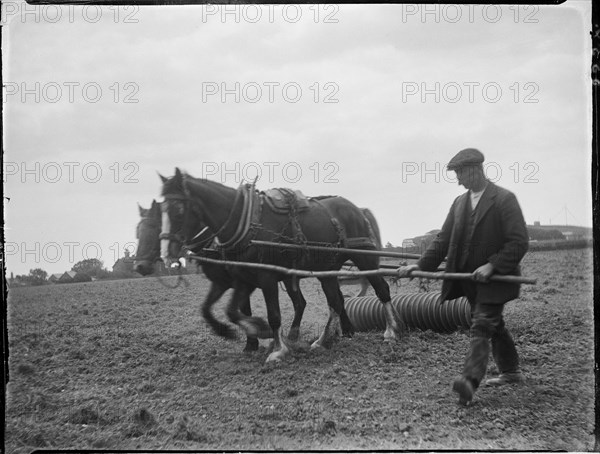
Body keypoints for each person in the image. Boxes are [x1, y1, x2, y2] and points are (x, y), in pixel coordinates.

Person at [398, 148, 529, 405]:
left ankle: (469, 382)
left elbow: (519, 241)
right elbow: (443, 240)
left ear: (476, 169)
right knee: (494, 325)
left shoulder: (504, 199)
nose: (458, 180)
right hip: (468, 282)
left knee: (481, 325)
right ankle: (511, 371)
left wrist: (492, 266)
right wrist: (419, 266)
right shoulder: (459, 203)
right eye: (456, 174)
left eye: (461, 174)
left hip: (494, 281)